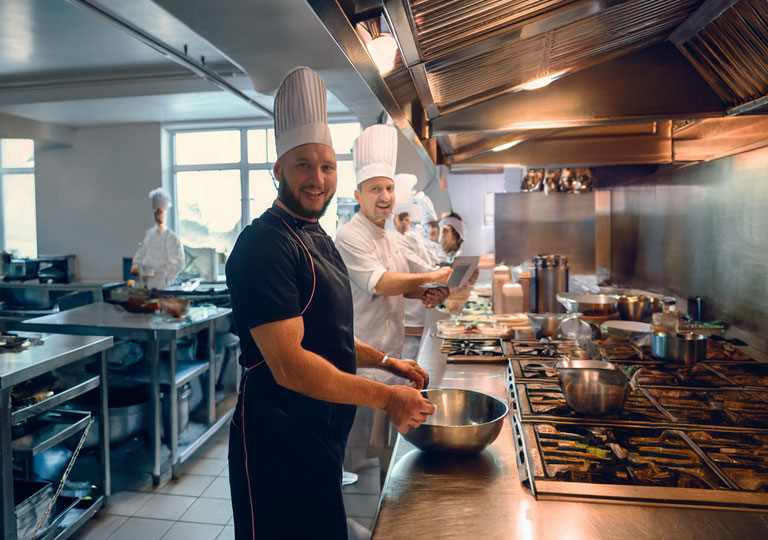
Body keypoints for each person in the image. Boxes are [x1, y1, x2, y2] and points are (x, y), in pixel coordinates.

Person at [225, 67, 435, 540]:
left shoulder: (314, 234)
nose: (318, 179)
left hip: (319, 432)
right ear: (277, 170)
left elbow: (328, 334)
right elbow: (292, 365)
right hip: (276, 441)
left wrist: (387, 362)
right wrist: (386, 396)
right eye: (303, 165)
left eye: (326, 166)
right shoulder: (264, 245)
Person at [335, 125, 451, 361]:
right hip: (364, 361)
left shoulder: (391, 238)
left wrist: (425, 294)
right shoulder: (349, 235)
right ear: (358, 196)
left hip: (394, 356)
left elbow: (398, 289)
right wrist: (433, 277)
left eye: (389, 188)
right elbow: (380, 284)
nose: (385, 197)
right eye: (375, 189)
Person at [130, 187, 185, 289]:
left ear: (165, 212)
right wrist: (136, 266)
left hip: (163, 284)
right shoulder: (149, 234)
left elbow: (179, 263)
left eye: (160, 212)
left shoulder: (172, 238)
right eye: (155, 212)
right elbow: (141, 254)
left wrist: (166, 276)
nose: (158, 215)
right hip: (146, 282)